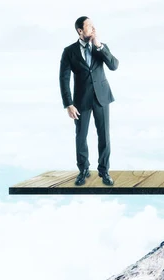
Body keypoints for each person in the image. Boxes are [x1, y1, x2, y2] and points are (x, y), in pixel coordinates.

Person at [59, 16, 119, 186]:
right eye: (89, 26)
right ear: (80, 30)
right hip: (80, 101)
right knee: (81, 137)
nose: (93, 28)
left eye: (94, 25)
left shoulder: (100, 47)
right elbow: (63, 78)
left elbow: (114, 65)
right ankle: (83, 170)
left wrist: (99, 46)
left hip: (102, 98)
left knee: (104, 137)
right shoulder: (69, 51)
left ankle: (104, 171)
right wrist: (68, 104)